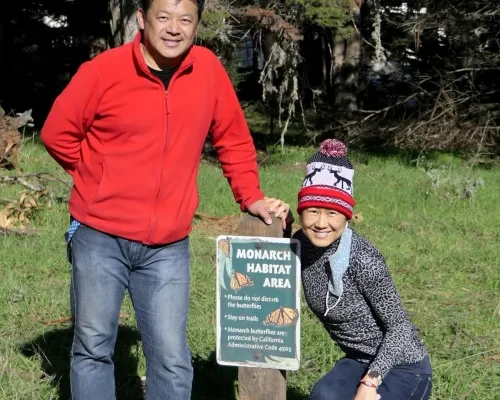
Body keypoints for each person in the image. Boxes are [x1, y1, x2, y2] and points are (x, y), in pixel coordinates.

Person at [40, 0, 289, 399]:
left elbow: (234, 139)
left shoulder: (207, 70)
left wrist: (251, 197)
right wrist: (98, 178)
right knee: (92, 348)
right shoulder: (103, 71)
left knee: (172, 359)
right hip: (99, 237)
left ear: (196, 25)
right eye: (163, 16)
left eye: (185, 19)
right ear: (142, 19)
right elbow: (57, 134)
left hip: (167, 246)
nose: (174, 28)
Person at [292, 139, 432, 400]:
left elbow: (400, 328)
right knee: (324, 396)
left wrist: (370, 383)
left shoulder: (363, 259)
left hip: (405, 367)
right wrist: (276, 213)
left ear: (347, 216)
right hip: (358, 358)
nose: (321, 223)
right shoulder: (300, 244)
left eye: (333, 213)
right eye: (312, 211)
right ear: (301, 213)